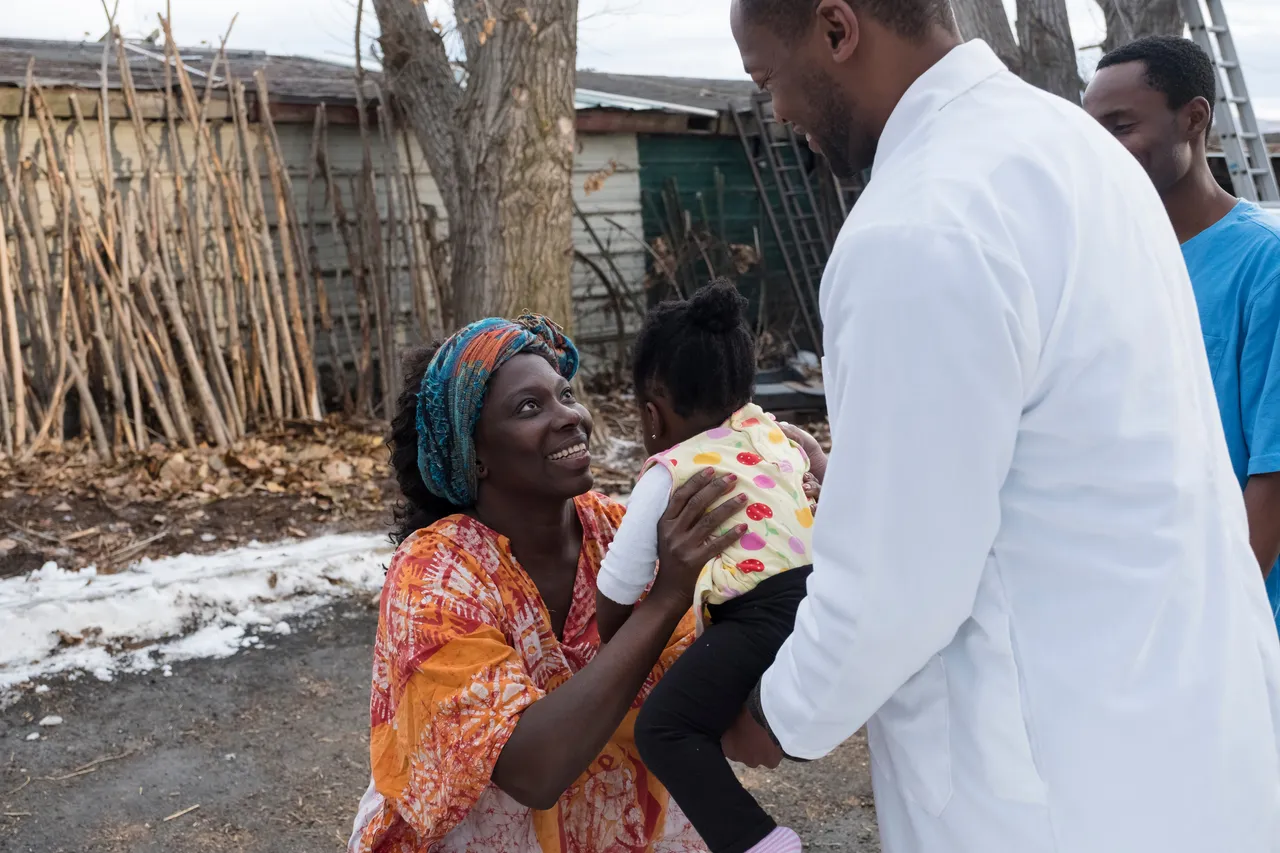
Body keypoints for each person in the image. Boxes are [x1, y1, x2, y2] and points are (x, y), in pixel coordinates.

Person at [720, 1, 1280, 852]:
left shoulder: (917, 223)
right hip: (1196, 738)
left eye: (769, 82)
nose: (781, 114)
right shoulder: (1077, 149)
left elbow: (892, 589)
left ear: (837, 31)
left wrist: (774, 713)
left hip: (1055, 790)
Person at [348, 314, 748, 853]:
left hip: (623, 825)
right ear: (476, 455)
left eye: (564, 394)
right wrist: (667, 598)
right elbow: (532, 770)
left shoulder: (618, 533)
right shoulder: (435, 575)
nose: (571, 417)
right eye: (529, 407)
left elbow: (719, 690)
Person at [594, 281, 816, 853]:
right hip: (819, 602)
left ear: (651, 413)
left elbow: (617, 588)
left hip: (758, 619)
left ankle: (756, 842)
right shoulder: (772, 433)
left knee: (664, 729)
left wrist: (621, 643)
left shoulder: (669, 472)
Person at [1084, 35, 1280, 631]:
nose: (1102, 150)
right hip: (1137, 606)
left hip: (1236, 626)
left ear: (1194, 119)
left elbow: (1273, 475)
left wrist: (1215, 625)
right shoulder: (1103, 266)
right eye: (1090, 132)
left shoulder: (1263, 264)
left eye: (1120, 126)